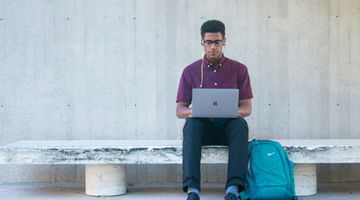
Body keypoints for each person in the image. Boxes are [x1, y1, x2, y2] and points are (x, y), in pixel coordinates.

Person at [175, 20, 253, 200]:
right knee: (191, 123)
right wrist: (198, 111)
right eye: (208, 42)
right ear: (202, 42)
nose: (212, 47)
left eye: (217, 42)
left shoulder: (239, 69)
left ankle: (233, 189)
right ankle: (193, 190)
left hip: (228, 130)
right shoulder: (190, 71)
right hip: (202, 131)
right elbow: (180, 110)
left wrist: (228, 112)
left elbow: (246, 108)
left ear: (224, 41)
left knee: (240, 124)